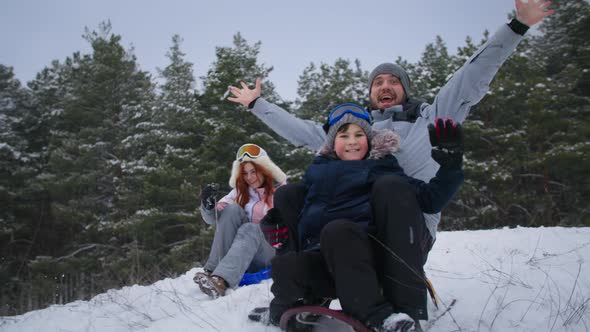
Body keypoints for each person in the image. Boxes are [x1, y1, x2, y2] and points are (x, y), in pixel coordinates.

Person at [228, 0, 554, 322]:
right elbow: (302, 131)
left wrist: (516, 28)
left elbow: (471, 77)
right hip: (351, 234)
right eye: (378, 82)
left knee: (389, 186)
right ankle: (301, 291)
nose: (385, 86)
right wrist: (258, 104)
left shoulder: (431, 119)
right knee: (292, 195)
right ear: (370, 94)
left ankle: (404, 306)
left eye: (393, 81)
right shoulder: (356, 135)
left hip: (407, 230)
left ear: (405, 90)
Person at [255, 103, 464, 331]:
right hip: (321, 258)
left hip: (362, 259)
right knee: (286, 249)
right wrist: (273, 223)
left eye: (359, 135)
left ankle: (378, 318)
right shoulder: (318, 169)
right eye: (344, 135)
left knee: (338, 231)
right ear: (333, 142)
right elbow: (301, 209)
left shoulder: (381, 167)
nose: (352, 141)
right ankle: (286, 307)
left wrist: (450, 169)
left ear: (370, 139)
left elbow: (430, 199)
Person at [194, 143, 287, 298]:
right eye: (245, 173)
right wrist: (207, 205)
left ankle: (221, 281)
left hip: (271, 253)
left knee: (250, 228)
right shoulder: (240, 192)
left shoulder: (282, 192)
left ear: (264, 168)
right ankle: (212, 270)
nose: (249, 177)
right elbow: (214, 220)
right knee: (232, 210)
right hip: (241, 253)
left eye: (254, 171)